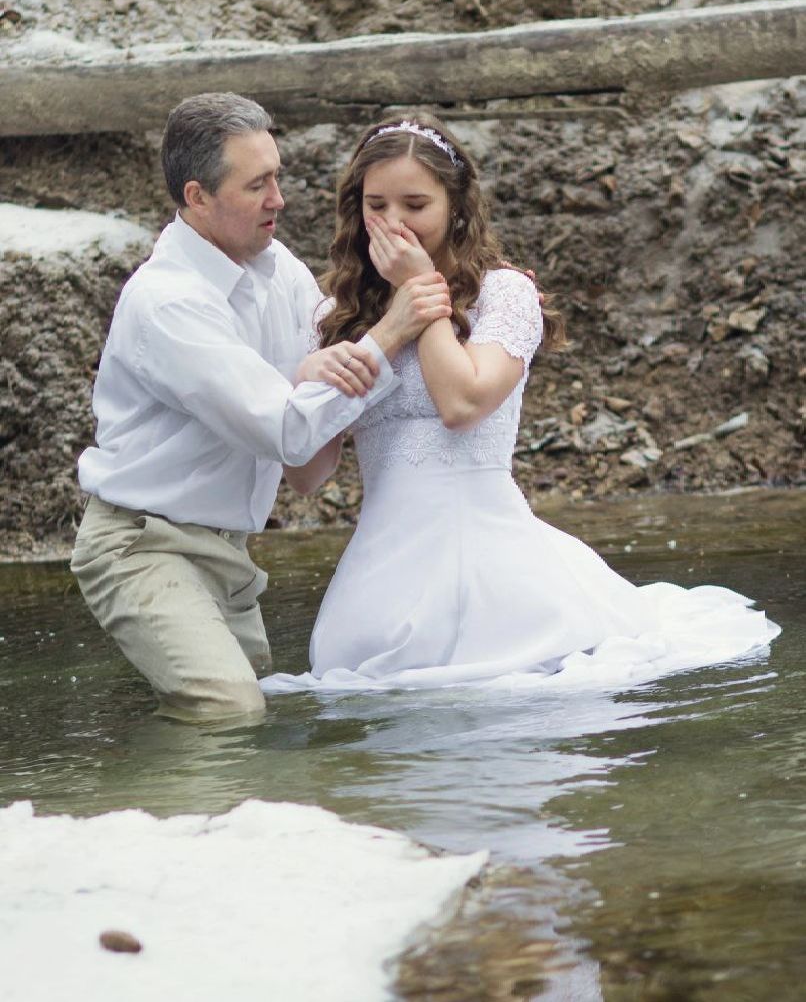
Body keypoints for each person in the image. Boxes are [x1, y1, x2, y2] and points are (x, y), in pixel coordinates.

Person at [260, 114, 780, 693]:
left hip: (497, 573)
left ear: (455, 206)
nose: (394, 223)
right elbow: (307, 475)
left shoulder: (504, 294)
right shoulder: (335, 314)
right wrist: (310, 378)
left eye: (415, 205)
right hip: (378, 580)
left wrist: (418, 293)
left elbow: (462, 404)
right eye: (376, 205)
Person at [70, 93, 452, 721]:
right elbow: (288, 432)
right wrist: (389, 331)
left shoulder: (280, 271)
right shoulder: (168, 302)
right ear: (197, 197)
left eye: (277, 176)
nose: (280, 198)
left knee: (257, 724)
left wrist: (316, 368)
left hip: (230, 550)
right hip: (143, 545)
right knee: (229, 710)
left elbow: (312, 448)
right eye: (257, 185)